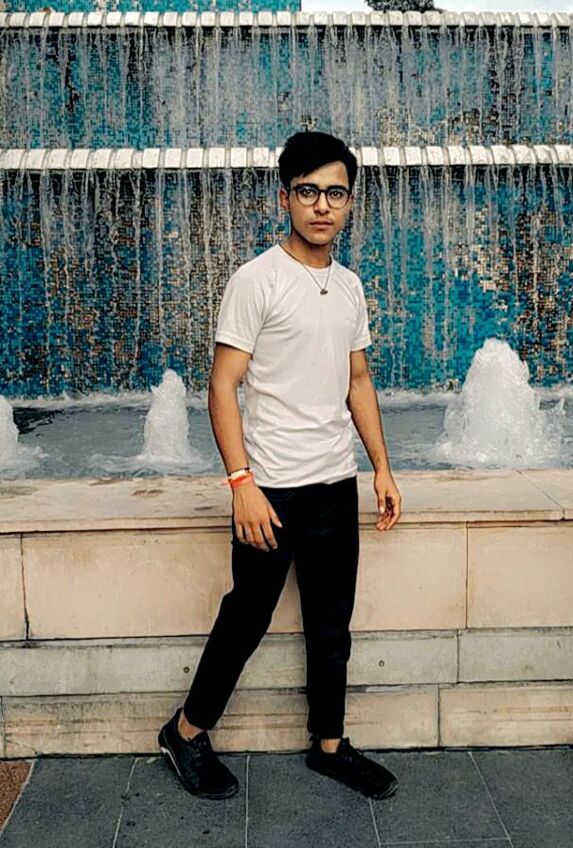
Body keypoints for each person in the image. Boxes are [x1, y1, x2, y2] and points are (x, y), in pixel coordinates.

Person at [158, 130, 403, 802]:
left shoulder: (348, 287)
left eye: (335, 193)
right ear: (285, 198)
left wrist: (381, 468)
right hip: (269, 488)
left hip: (334, 482)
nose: (322, 205)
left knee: (332, 624)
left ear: (350, 202)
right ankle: (185, 731)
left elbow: (357, 380)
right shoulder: (256, 280)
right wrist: (241, 484)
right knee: (247, 617)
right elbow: (222, 384)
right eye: (308, 191)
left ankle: (329, 746)